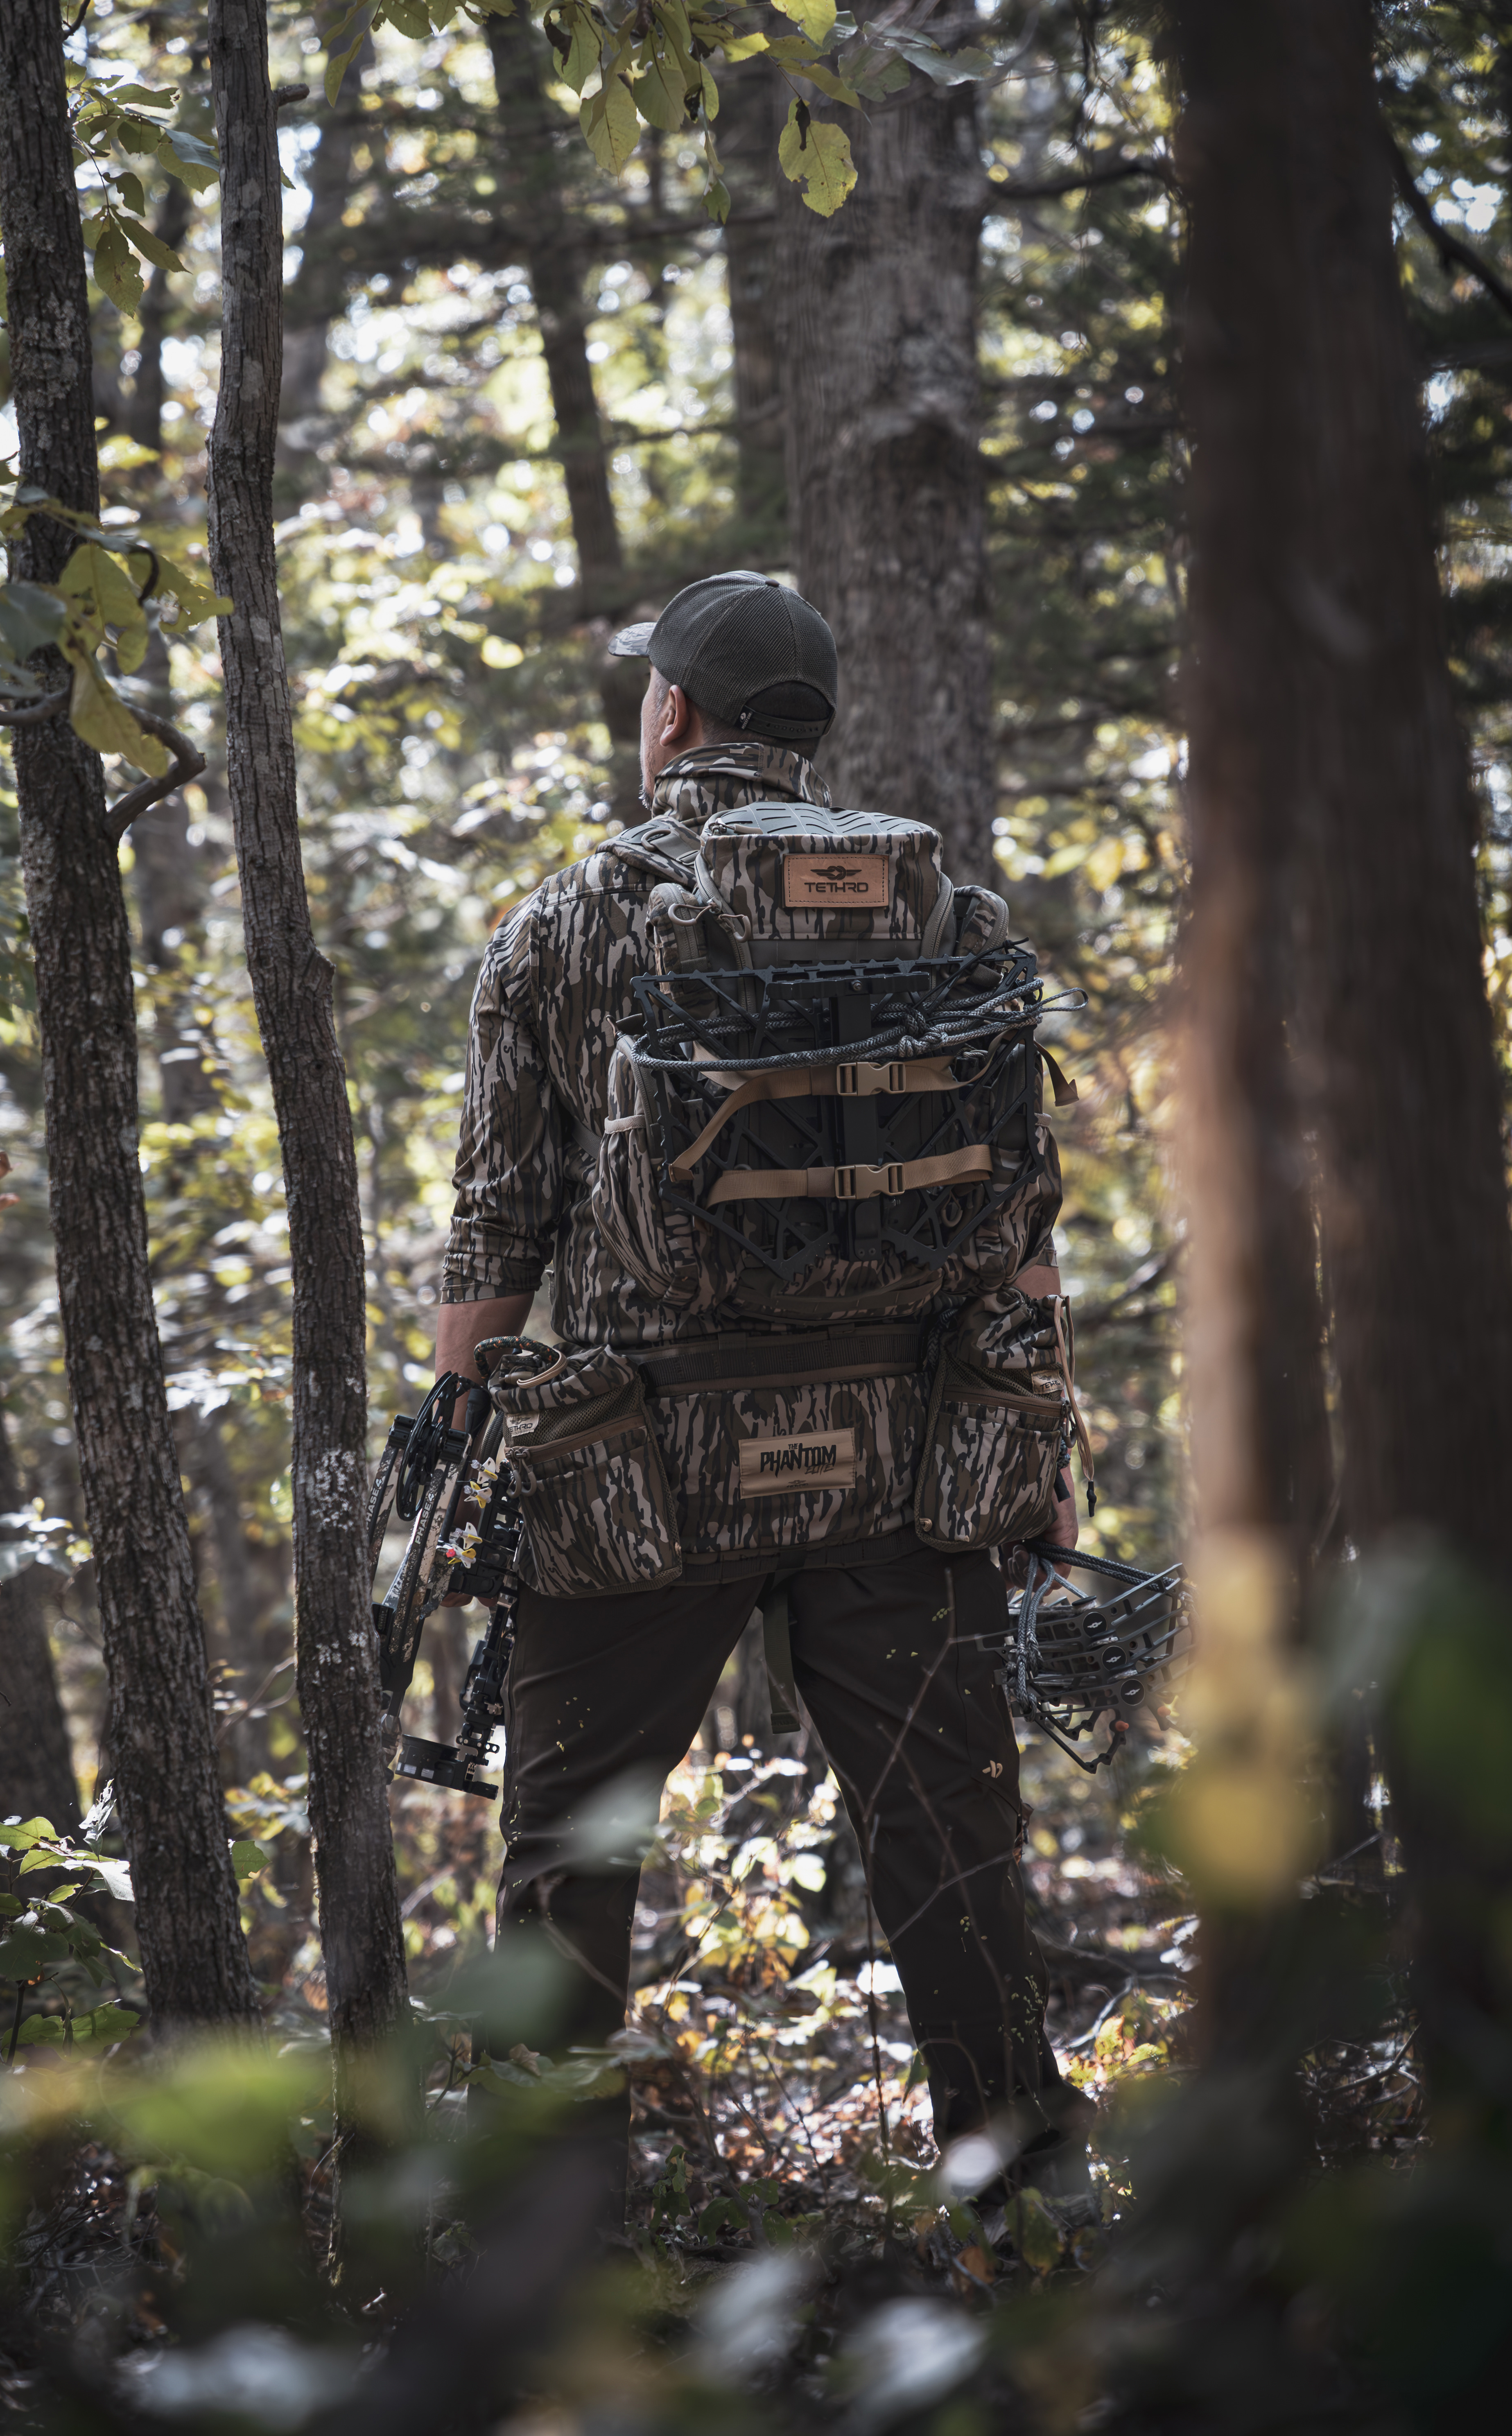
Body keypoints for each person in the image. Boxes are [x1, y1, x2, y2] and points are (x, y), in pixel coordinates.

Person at [435, 570, 1090, 2219]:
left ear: (669, 714)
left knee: (570, 1860)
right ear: (810, 725)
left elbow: (496, 1236)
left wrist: (456, 1460)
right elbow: (1019, 1217)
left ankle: (545, 2246)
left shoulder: (561, 926)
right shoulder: (956, 917)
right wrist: (1042, 1439)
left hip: (636, 1469)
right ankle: (1024, 2209)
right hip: (907, 1456)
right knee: (948, 1847)